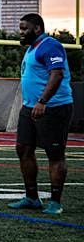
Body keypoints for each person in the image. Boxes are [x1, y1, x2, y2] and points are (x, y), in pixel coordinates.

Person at [8, 13, 74, 215]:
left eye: (24, 28)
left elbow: (57, 74)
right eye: (20, 28)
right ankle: (32, 197)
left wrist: (43, 101)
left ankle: (55, 202)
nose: (21, 32)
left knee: (54, 154)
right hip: (30, 108)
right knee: (23, 149)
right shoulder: (31, 49)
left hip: (53, 108)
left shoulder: (50, 45)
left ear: (37, 28)